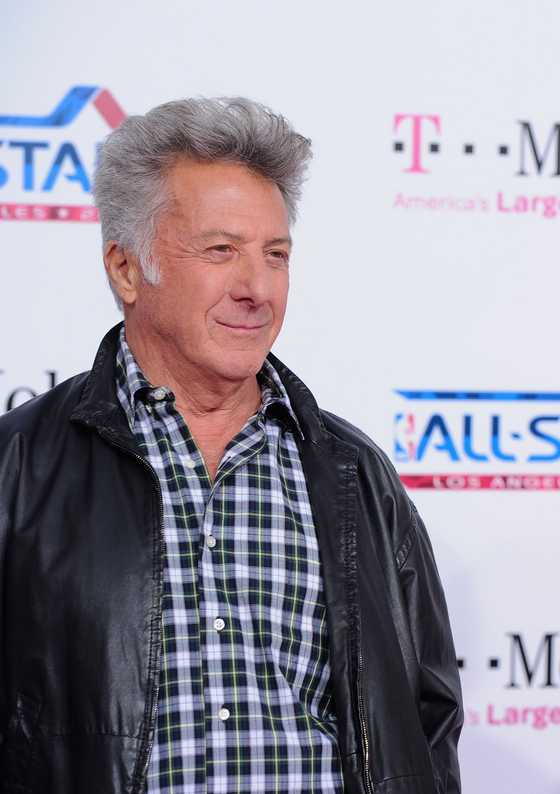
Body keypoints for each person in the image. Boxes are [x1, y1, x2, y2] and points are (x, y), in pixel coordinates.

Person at [0, 97, 462, 793]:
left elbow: (426, 723)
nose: (256, 289)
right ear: (126, 270)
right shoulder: (19, 468)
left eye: (275, 256)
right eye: (221, 251)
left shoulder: (352, 473)